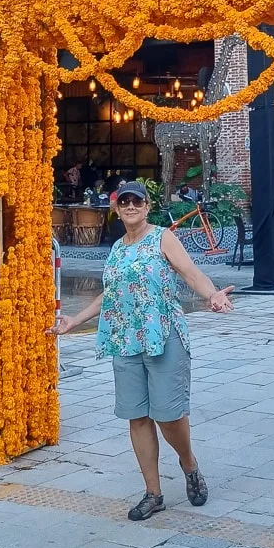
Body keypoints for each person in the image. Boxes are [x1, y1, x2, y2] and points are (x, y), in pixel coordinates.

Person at [47, 182, 234, 521]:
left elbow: (191, 274)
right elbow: (111, 294)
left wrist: (213, 295)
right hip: (125, 340)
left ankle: (188, 463)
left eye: (137, 201)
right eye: (124, 202)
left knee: (169, 415)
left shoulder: (163, 238)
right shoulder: (117, 248)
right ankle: (153, 493)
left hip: (163, 335)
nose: (131, 206)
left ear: (147, 207)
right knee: (137, 416)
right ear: (116, 209)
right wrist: (75, 320)